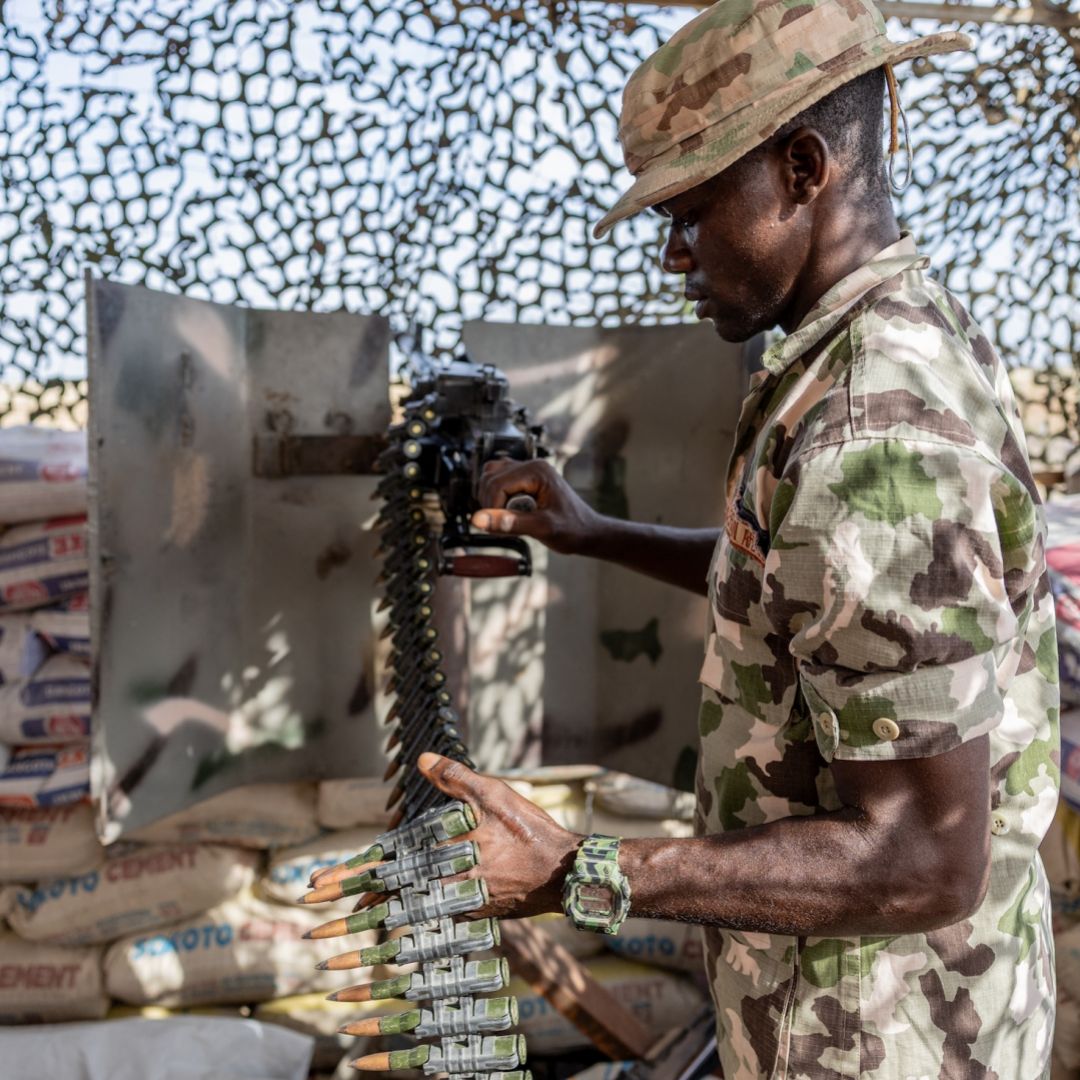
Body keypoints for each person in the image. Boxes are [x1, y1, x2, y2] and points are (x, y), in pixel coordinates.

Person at [413, 1, 1059, 1075]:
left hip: (882, 1037)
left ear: (803, 168)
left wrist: (583, 867)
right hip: (934, 1009)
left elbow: (925, 857)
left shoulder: (867, 429)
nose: (673, 256)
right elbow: (824, 611)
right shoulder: (896, 336)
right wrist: (596, 534)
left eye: (691, 213)